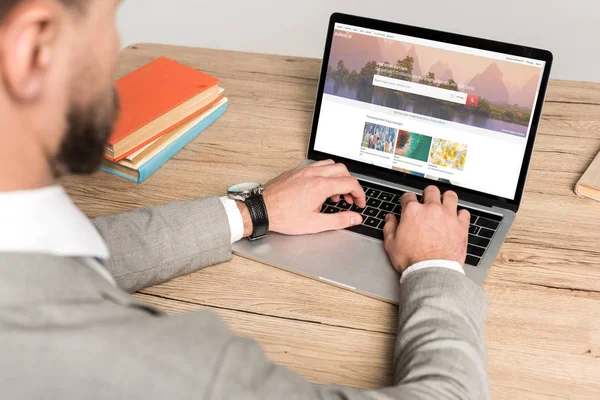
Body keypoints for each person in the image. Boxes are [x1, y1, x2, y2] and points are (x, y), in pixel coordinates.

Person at [0, 1, 491, 399]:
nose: (113, 49)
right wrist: (435, 266)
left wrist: (251, 211)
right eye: (109, 18)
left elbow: (60, 264)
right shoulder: (162, 368)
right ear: (32, 46)